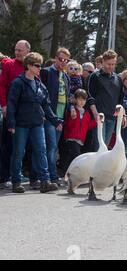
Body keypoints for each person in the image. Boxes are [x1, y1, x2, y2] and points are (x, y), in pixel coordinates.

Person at [7, 52, 62, 193]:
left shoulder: (40, 85)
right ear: (29, 66)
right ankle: (16, 182)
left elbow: (46, 105)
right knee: (19, 152)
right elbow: (11, 104)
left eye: (40, 65)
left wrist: (55, 121)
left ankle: (45, 181)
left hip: (37, 123)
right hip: (21, 124)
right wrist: (11, 123)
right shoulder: (18, 83)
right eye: (37, 65)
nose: (40, 68)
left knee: (41, 151)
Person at [0, 40, 30, 188]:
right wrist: (4, 105)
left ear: (27, 52)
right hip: (10, 112)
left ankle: (16, 174)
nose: (17, 52)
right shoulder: (8, 65)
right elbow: (2, 86)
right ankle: (5, 176)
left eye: (20, 50)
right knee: (8, 145)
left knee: (21, 146)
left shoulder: (30, 67)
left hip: (25, 114)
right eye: (16, 49)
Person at [39, 47, 72, 184]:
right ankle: (51, 176)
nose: (63, 62)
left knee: (53, 147)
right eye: (60, 59)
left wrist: (71, 108)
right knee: (51, 146)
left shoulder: (65, 76)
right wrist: (45, 114)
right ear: (55, 58)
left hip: (61, 117)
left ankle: (48, 175)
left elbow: (66, 97)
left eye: (66, 60)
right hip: (49, 117)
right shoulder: (46, 72)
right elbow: (42, 96)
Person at [88, 50, 126, 150]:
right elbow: (90, 96)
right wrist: (95, 113)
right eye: (109, 64)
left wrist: (123, 115)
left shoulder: (118, 78)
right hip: (99, 117)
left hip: (112, 118)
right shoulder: (95, 76)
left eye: (113, 64)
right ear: (103, 62)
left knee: (105, 147)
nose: (111, 66)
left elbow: (120, 99)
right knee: (99, 148)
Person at [61, 89, 97, 172]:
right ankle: (76, 174)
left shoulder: (87, 113)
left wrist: (96, 121)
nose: (82, 102)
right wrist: (73, 118)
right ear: (75, 100)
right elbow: (68, 124)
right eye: (79, 99)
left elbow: (88, 126)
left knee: (72, 158)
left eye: (83, 99)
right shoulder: (71, 110)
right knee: (77, 157)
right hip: (71, 138)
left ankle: (69, 174)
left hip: (80, 140)